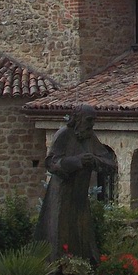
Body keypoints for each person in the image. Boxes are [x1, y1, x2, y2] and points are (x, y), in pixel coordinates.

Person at [35, 106, 117, 262]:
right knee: (60, 232)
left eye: (93, 120)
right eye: (89, 120)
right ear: (78, 119)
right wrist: (77, 161)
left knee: (82, 234)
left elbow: (109, 163)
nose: (91, 124)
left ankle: (81, 266)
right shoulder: (63, 135)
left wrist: (94, 160)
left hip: (79, 195)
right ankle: (60, 267)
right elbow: (52, 163)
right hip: (61, 194)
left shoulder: (90, 137)